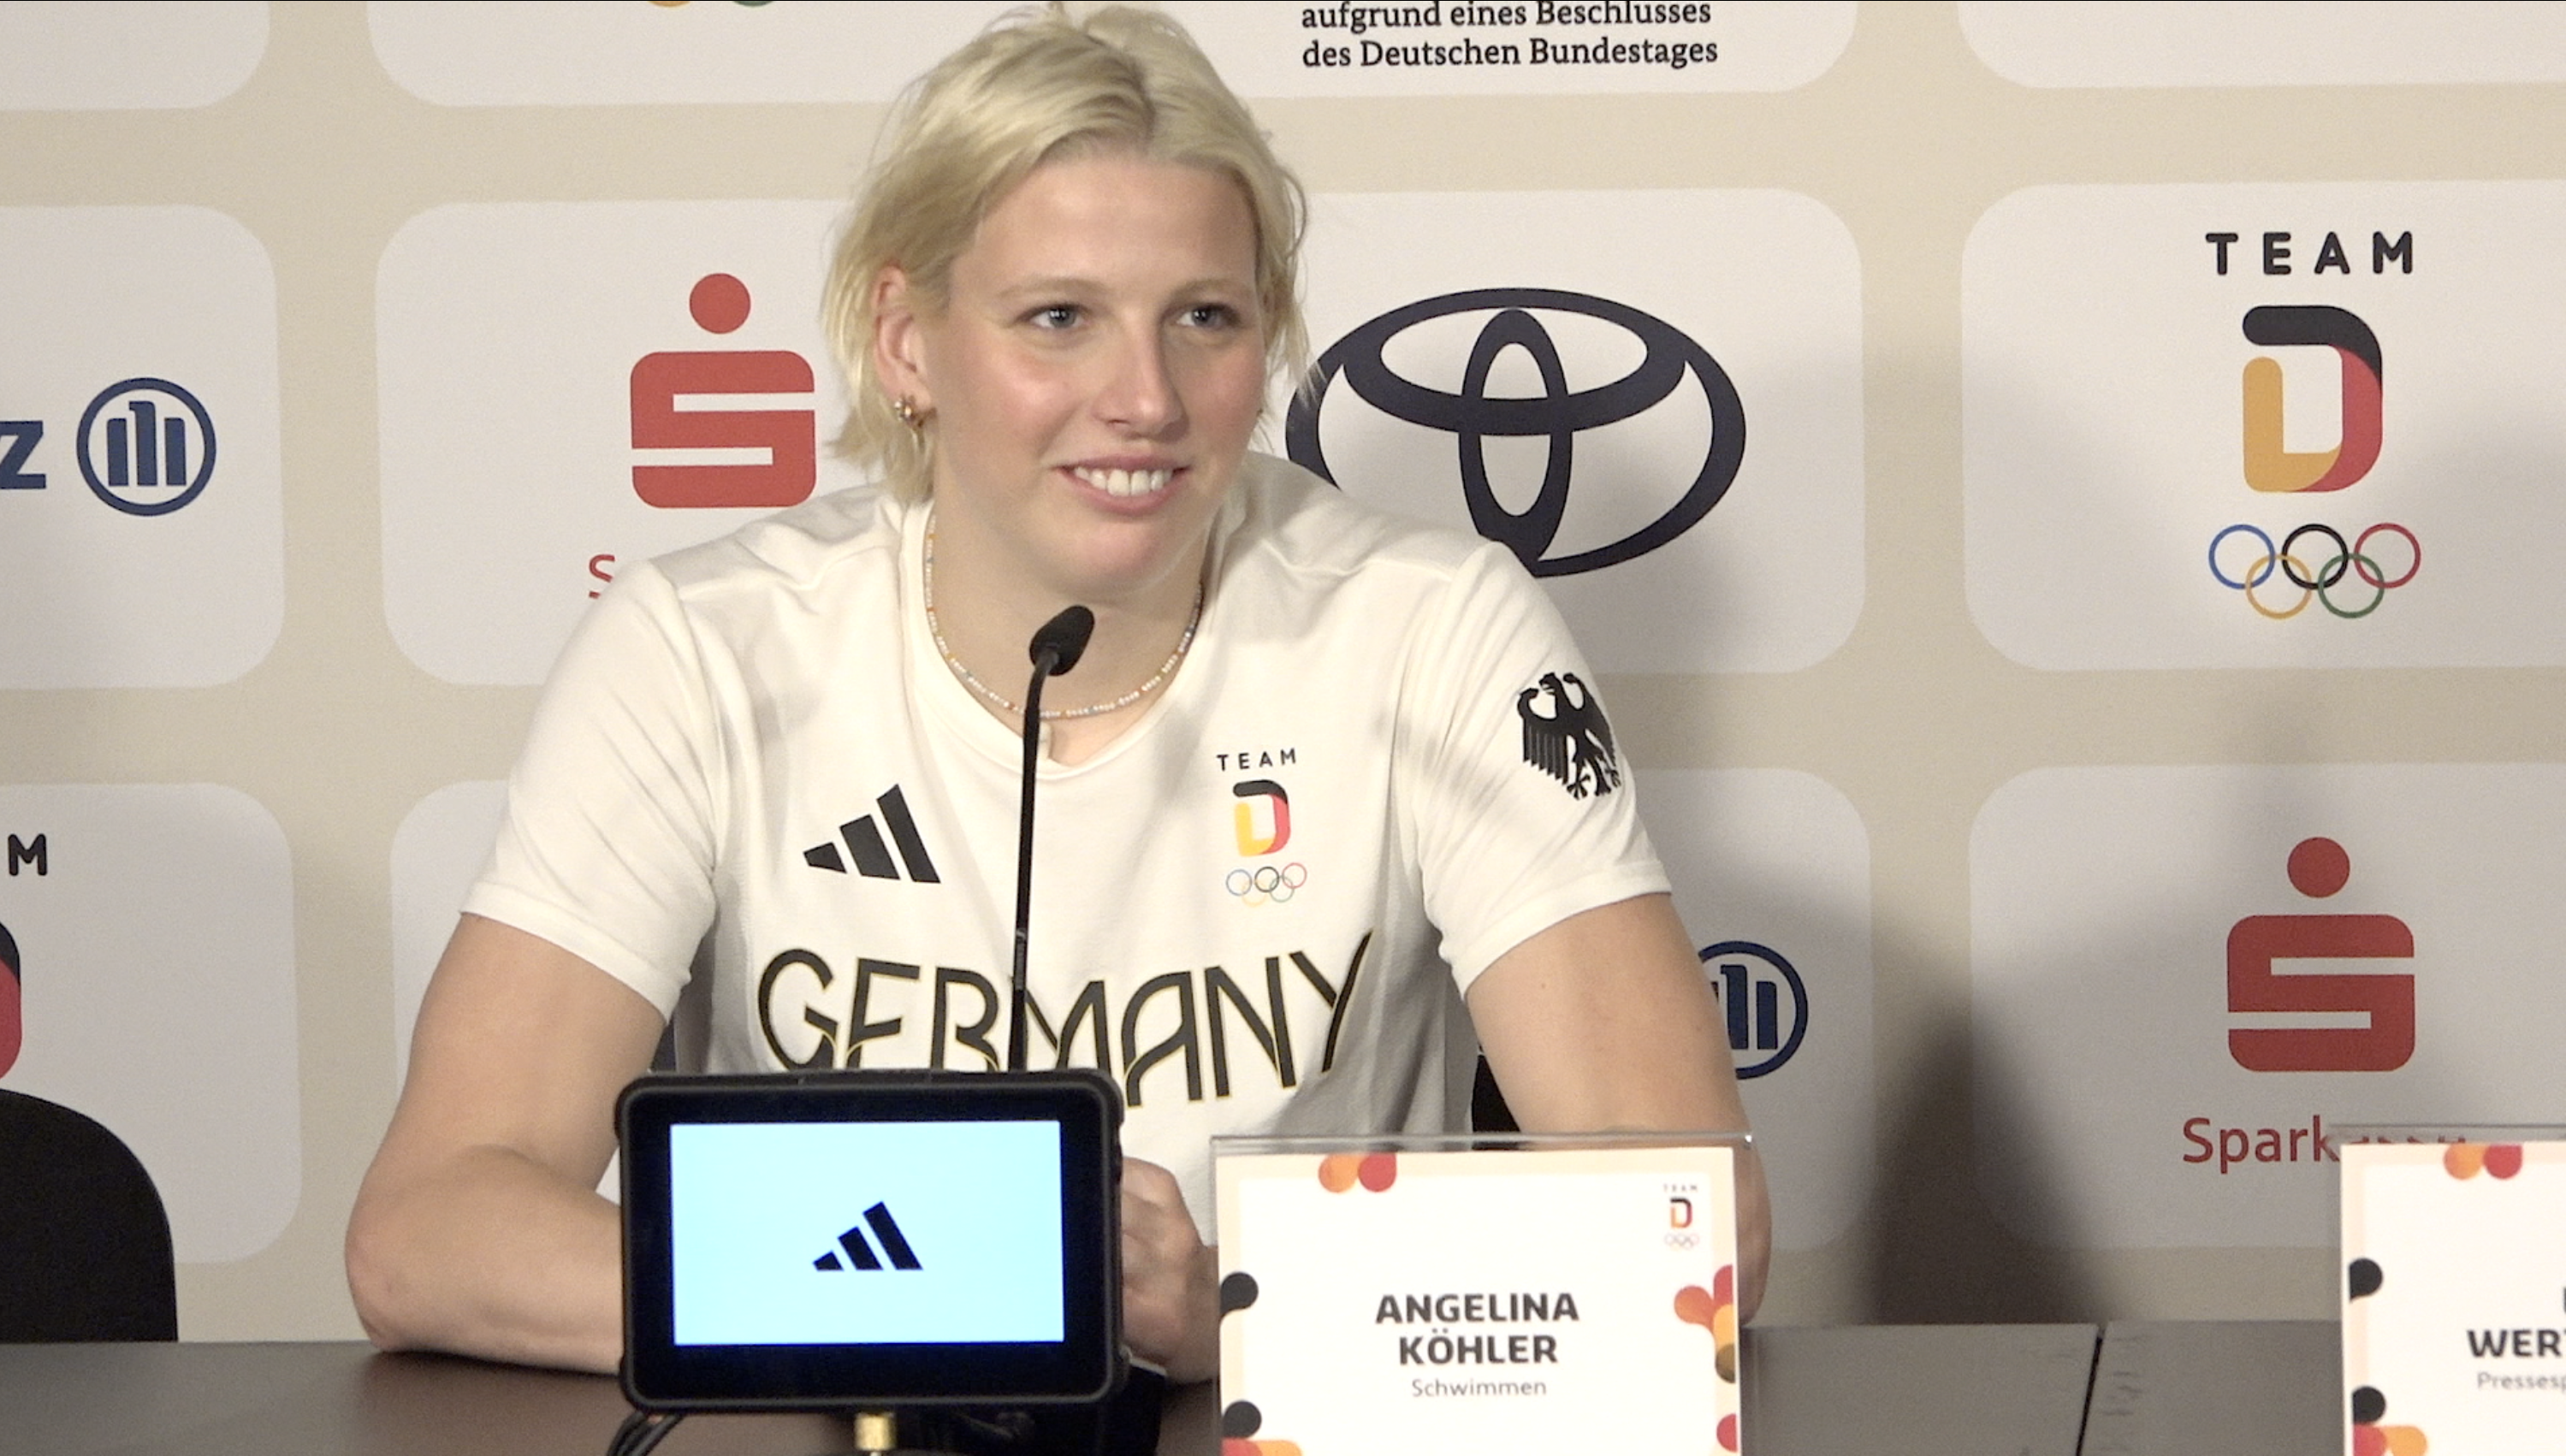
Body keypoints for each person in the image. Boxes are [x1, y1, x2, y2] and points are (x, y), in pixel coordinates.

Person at [347, 0, 1770, 1413]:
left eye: (1204, 317)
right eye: (1059, 319)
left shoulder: (1431, 626)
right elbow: (429, 1225)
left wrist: (1241, 1295)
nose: (1145, 397)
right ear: (907, 342)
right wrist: (981, 1289)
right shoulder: (702, 646)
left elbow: (1694, 1217)